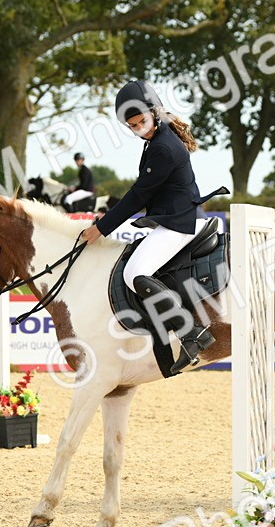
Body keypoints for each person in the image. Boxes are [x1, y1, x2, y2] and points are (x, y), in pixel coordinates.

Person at [79, 80, 226, 373]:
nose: (139, 130)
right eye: (132, 126)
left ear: (155, 112)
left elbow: (138, 195)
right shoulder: (159, 135)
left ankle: (190, 333)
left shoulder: (163, 147)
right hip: (176, 217)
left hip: (180, 222)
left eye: (142, 122)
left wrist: (101, 228)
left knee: (135, 273)